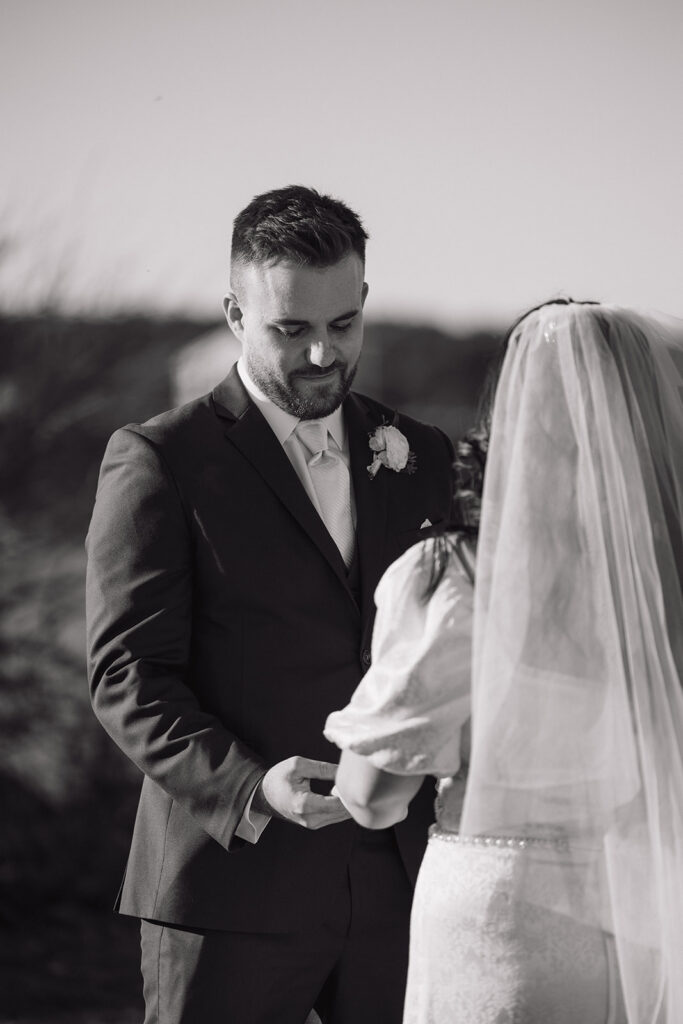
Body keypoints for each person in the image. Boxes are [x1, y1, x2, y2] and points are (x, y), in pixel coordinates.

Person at [85, 185, 455, 1024]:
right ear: (233, 313)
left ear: (363, 303)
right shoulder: (159, 459)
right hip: (230, 891)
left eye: (342, 326)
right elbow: (127, 675)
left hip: (403, 890)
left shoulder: (419, 454)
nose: (323, 356)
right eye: (291, 330)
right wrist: (254, 788)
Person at [325, 300, 683, 1024]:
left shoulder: (457, 579)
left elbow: (373, 797)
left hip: (500, 919)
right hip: (645, 918)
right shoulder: (660, 580)